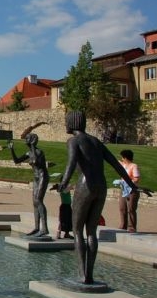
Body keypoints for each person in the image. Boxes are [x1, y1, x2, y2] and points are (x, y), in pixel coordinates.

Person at [58, 110, 140, 288]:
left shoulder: (73, 141)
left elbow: (71, 163)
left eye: (67, 122)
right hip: (100, 187)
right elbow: (115, 164)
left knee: (77, 229)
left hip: (85, 185)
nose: (65, 125)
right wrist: (131, 185)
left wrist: (63, 183)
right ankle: (90, 274)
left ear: (72, 123)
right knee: (91, 231)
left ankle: (82, 275)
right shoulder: (95, 141)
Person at [9, 133, 49, 237]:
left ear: (32, 140)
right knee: (35, 203)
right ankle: (36, 228)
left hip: (42, 177)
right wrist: (11, 149)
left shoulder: (39, 152)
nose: (25, 140)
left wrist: (32, 146)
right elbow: (16, 161)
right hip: (36, 178)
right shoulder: (28, 153)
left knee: (39, 200)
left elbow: (35, 161)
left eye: (27, 138)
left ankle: (44, 229)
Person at [117, 149, 141, 233]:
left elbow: (136, 178)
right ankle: (123, 225)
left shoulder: (134, 166)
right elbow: (117, 162)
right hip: (123, 189)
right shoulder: (124, 165)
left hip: (132, 190)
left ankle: (132, 227)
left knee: (131, 209)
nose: (122, 159)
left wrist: (127, 182)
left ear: (126, 158)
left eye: (123, 158)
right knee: (122, 207)